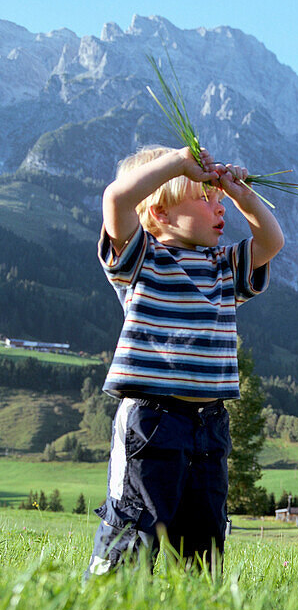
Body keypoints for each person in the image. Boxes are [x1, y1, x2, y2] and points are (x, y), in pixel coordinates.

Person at [84, 144, 284, 578]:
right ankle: (105, 605)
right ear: (158, 214)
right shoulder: (141, 259)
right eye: (204, 198)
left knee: (204, 531)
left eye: (218, 201)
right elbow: (116, 200)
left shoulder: (224, 266)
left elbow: (272, 241)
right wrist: (176, 163)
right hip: (151, 421)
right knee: (135, 523)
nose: (219, 209)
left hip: (210, 423)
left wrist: (242, 195)